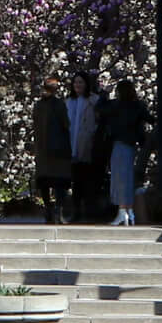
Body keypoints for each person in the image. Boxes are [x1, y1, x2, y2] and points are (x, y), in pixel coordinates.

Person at [103, 78, 151, 225]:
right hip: (131, 144)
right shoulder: (138, 106)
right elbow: (150, 119)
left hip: (120, 143)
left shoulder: (115, 106)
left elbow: (100, 109)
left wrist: (103, 94)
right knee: (127, 177)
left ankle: (123, 210)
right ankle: (128, 211)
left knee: (120, 178)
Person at [32, 78, 75, 223]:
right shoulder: (59, 104)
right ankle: (58, 210)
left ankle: (48, 209)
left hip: (43, 149)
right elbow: (66, 123)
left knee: (45, 181)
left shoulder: (38, 106)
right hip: (59, 149)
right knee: (59, 182)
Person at [66, 71, 104, 220]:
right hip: (72, 145)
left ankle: (89, 212)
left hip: (88, 145)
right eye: (75, 82)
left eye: (80, 82)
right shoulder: (69, 101)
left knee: (88, 181)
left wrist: (92, 134)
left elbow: (99, 122)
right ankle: (76, 212)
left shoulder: (94, 100)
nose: (78, 85)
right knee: (76, 182)